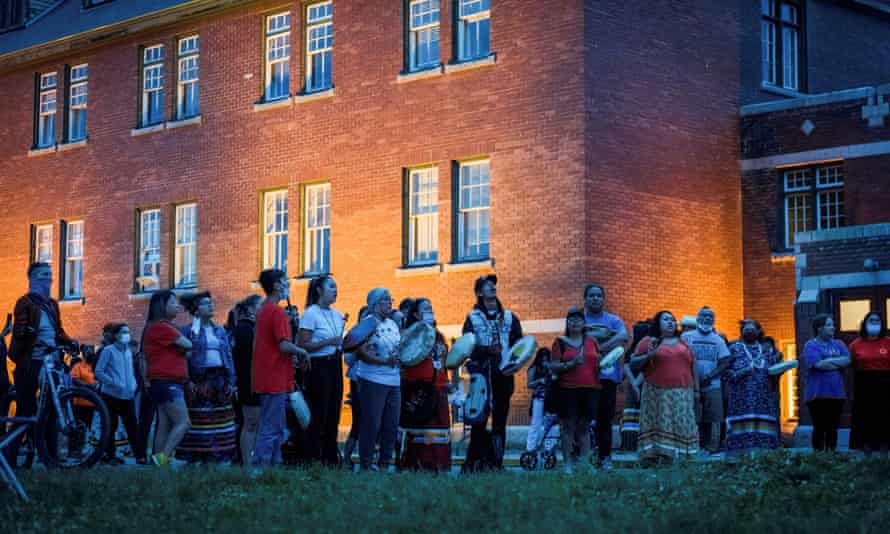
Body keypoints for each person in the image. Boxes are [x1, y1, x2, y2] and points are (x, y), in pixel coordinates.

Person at [5, 262, 77, 467]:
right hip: (30, 363)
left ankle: (51, 459)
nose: (49, 278)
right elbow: (19, 330)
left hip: (50, 362)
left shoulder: (52, 305)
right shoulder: (25, 302)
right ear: (33, 279)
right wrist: (31, 334)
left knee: (52, 412)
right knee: (25, 412)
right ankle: (10, 459)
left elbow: (58, 332)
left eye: (51, 274)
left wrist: (69, 341)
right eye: (44, 275)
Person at [461, 275, 523, 471]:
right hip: (481, 374)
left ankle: (497, 463)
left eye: (493, 285)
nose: (492, 288)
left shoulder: (510, 317)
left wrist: (515, 361)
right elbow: (466, 347)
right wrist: (487, 350)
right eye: (487, 286)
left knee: (500, 421)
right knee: (479, 420)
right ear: (479, 292)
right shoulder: (472, 318)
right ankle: (475, 462)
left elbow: (519, 345)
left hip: (503, 375)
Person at [252, 269, 308, 466]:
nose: (287, 285)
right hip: (274, 377)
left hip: (267, 375)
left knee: (276, 426)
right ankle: (261, 467)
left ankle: (274, 464)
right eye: (284, 281)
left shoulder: (265, 309)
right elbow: (283, 345)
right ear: (276, 285)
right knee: (271, 427)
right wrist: (302, 352)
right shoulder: (276, 312)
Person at [176, 292, 237, 463]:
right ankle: (196, 456)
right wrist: (188, 381)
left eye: (211, 303)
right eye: (205, 303)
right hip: (200, 380)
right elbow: (184, 358)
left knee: (220, 419)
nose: (211, 306)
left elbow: (229, 356)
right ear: (196, 309)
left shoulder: (220, 331)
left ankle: (218, 456)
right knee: (200, 419)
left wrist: (231, 381)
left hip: (220, 378)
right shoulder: (188, 331)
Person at [632, 310, 699, 464]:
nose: (670, 322)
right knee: (660, 423)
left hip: (683, 392)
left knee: (683, 422)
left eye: (672, 319)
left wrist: (696, 390)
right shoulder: (649, 341)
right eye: (666, 319)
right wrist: (649, 355)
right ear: (658, 323)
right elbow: (634, 363)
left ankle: (683, 457)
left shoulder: (683, 342)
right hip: (657, 393)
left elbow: (693, 366)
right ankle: (657, 457)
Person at [399, 298, 451, 472]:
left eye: (431, 308)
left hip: (439, 387)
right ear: (415, 314)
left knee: (439, 430)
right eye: (425, 309)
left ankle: (439, 464)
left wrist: (448, 381)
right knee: (419, 429)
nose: (430, 311)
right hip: (417, 388)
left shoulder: (439, 335)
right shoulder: (408, 334)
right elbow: (406, 360)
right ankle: (417, 465)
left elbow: (443, 362)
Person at [299, 275, 346, 467]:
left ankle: (330, 458)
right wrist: (329, 342)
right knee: (320, 412)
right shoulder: (311, 313)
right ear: (319, 290)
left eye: (336, 287)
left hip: (335, 363)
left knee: (334, 411)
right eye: (331, 287)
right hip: (319, 366)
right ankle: (312, 457)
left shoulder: (337, 314)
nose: (335, 290)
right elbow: (303, 344)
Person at [143, 290, 193, 466]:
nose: (177, 306)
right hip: (167, 382)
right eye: (173, 303)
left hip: (161, 382)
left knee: (164, 424)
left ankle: (157, 465)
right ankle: (162, 459)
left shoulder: (156, 327)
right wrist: (183, 348)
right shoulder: (161, 327)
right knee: (184, 422)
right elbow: (188, 345)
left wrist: (181, 349)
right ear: (161, 306)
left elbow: (185, 351)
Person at [581, 283, 628, 470]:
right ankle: (584, 458)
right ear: (585, 299)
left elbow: (624, 336)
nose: (595, 298)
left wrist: (599, 347)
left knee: (604, 420)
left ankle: (605, 458)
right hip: (583, 378)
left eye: (599, 295)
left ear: (603, 299)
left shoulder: (614, 320)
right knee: (583, 419)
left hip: (608, 378)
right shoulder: (579, 319)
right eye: (591, 295)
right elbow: (574, 340)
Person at [355, 288, 401, 472]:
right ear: (374, 304)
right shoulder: (367, 323)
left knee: (391, 424)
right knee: (372, 423)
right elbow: (359, 350)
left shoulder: (393, 323)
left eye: (391, 299)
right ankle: (366, 464)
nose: (390, 303)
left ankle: (384, 464)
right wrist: (383, 361)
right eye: (386, 300)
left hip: (394, 380)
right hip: (372, 379)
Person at [551, 307, 601, 473]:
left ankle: (585, 463)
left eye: (579, 319)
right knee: (568, 427)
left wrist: (603, 365)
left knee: (585, 427)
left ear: (584, 323)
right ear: (567, 322)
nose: (575, 322)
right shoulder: (560, 342)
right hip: (568, 390)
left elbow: (597, 362)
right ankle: (567, 465)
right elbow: (553, 366)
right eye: (571, 319)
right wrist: (571, 364)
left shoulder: (592, 341)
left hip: (591, 388)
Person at [724, 320, 782, 455]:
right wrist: (740, 372)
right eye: (746, 328)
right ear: (741, 331)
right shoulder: (733, 348)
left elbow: (774, 370)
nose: (749, 331)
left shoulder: (766, 350)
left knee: (763, 426)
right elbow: (725, 371)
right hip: (740, 398)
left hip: (763, 398)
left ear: (759, 331)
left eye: (752, 328)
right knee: (741, 428)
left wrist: (780, 364)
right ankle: (738, 455)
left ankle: (765, 455)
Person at [95, 323, 148, 464]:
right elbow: (99, 372)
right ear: (116, 335)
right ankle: (110, 456)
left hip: (127, 395)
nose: (127, 334)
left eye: (128, 332)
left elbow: (130, 371)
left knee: (132, 426)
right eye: (124, 332)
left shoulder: (128, 352)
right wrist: (113, 383)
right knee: (110, 426)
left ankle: (140, 456)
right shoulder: (108, 351)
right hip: (110, 395)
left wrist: (133, 385)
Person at [681, 307, 731, 455]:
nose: (707, 318)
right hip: (690, 384)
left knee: (714, 417)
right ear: (697, 319)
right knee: (692, 416)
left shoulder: (718, 339)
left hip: (713, 384)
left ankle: (712, 447)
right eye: (704, 315)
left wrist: (710, 376)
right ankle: (692, 446)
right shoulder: (686, 337)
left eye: (710, 316)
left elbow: (725, 361)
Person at [803, 313, 851, 452]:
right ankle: (819, 459)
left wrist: (828, 361)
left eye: (833, 325)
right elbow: (817, 365)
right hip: (817, 394)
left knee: (832, 428)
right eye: (829, 325)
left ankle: (831, 458)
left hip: (836, 393)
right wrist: (837, 362)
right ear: (819, 328)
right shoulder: (810, 345)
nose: (833, 328)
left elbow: (847, 361)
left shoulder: (839, 344)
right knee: (819, 427)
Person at [848, 312, 890, 457]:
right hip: (863, 385)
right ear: (865, 323)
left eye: (877, 320)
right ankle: (867, 456)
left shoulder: (888, 342)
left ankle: (884, 455)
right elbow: (851, 365)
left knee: (884, 418)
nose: (874, 322)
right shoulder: (855, 344)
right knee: (865, 418)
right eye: (871, 320)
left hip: (885, 385)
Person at [232, 295, 262, 464]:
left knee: (253, 423)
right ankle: (247, 465)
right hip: (249, 382)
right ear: (250, 308)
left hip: (253, 381)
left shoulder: (251, 328)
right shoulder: (245, 329)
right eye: (260, 305)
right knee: (250, 423)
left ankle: (249, 461)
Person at [620, 320, 651, 452]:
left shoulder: (642, 349)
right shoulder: (634, 348)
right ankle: (633, 444)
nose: (631, 334)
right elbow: (626, 366)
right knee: (634, 416)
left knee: (634, 416)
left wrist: (634, 384)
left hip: (641, 385)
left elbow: (645, 366)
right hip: (637, 385)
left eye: (634, 331)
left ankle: (631, 445)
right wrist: (635, 384)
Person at [341, 305, 366, 469]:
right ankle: (346, 458)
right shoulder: (354, 335)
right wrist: (358, 351)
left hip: (375, 381)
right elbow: (348, 360)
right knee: (358, 423)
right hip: (358, 380)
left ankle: (369, 458)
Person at [525, 347, 553, 461]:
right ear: (539, 358)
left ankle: (548, 448)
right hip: (539, 398)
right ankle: (530, 448)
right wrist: (539, 381)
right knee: (536, 423)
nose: (544, 360)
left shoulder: (551, 367)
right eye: (543, 358)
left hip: (550, 398)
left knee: (549, 424)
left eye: (547, 358)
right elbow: (529, 384)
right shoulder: (533, 368)